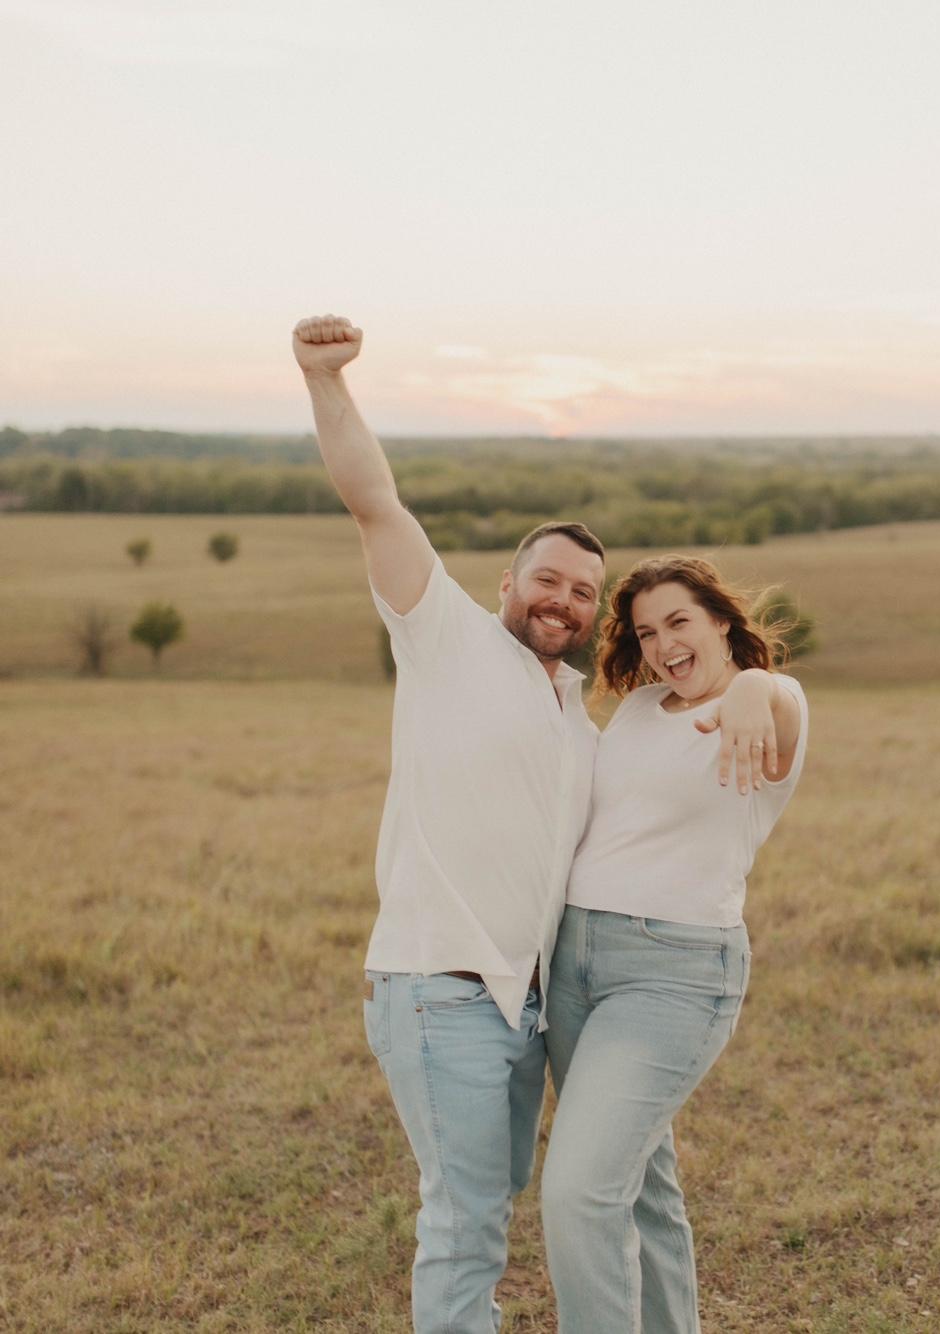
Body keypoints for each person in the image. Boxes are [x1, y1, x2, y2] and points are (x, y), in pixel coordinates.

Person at [291, 314, 607, 1334]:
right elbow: (373, 501)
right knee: (464, 1224)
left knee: (487, 1209)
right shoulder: (447, 638)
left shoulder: (576, 717)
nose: (563, 599)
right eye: (547, 578)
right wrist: (325, 382)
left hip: (523, 1006)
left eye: (583, 592)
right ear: (507, 584)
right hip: (440, 990)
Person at [540, 555, 809, 1333]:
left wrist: (753, 686)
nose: (664, 645)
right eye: (648, 632)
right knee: (642, 1186)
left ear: (720, 620)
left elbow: (781, 697)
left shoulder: (767, 707)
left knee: (578, 1191)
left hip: (673, 974)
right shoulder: (638, 708)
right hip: (574, 963)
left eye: (680, 622)